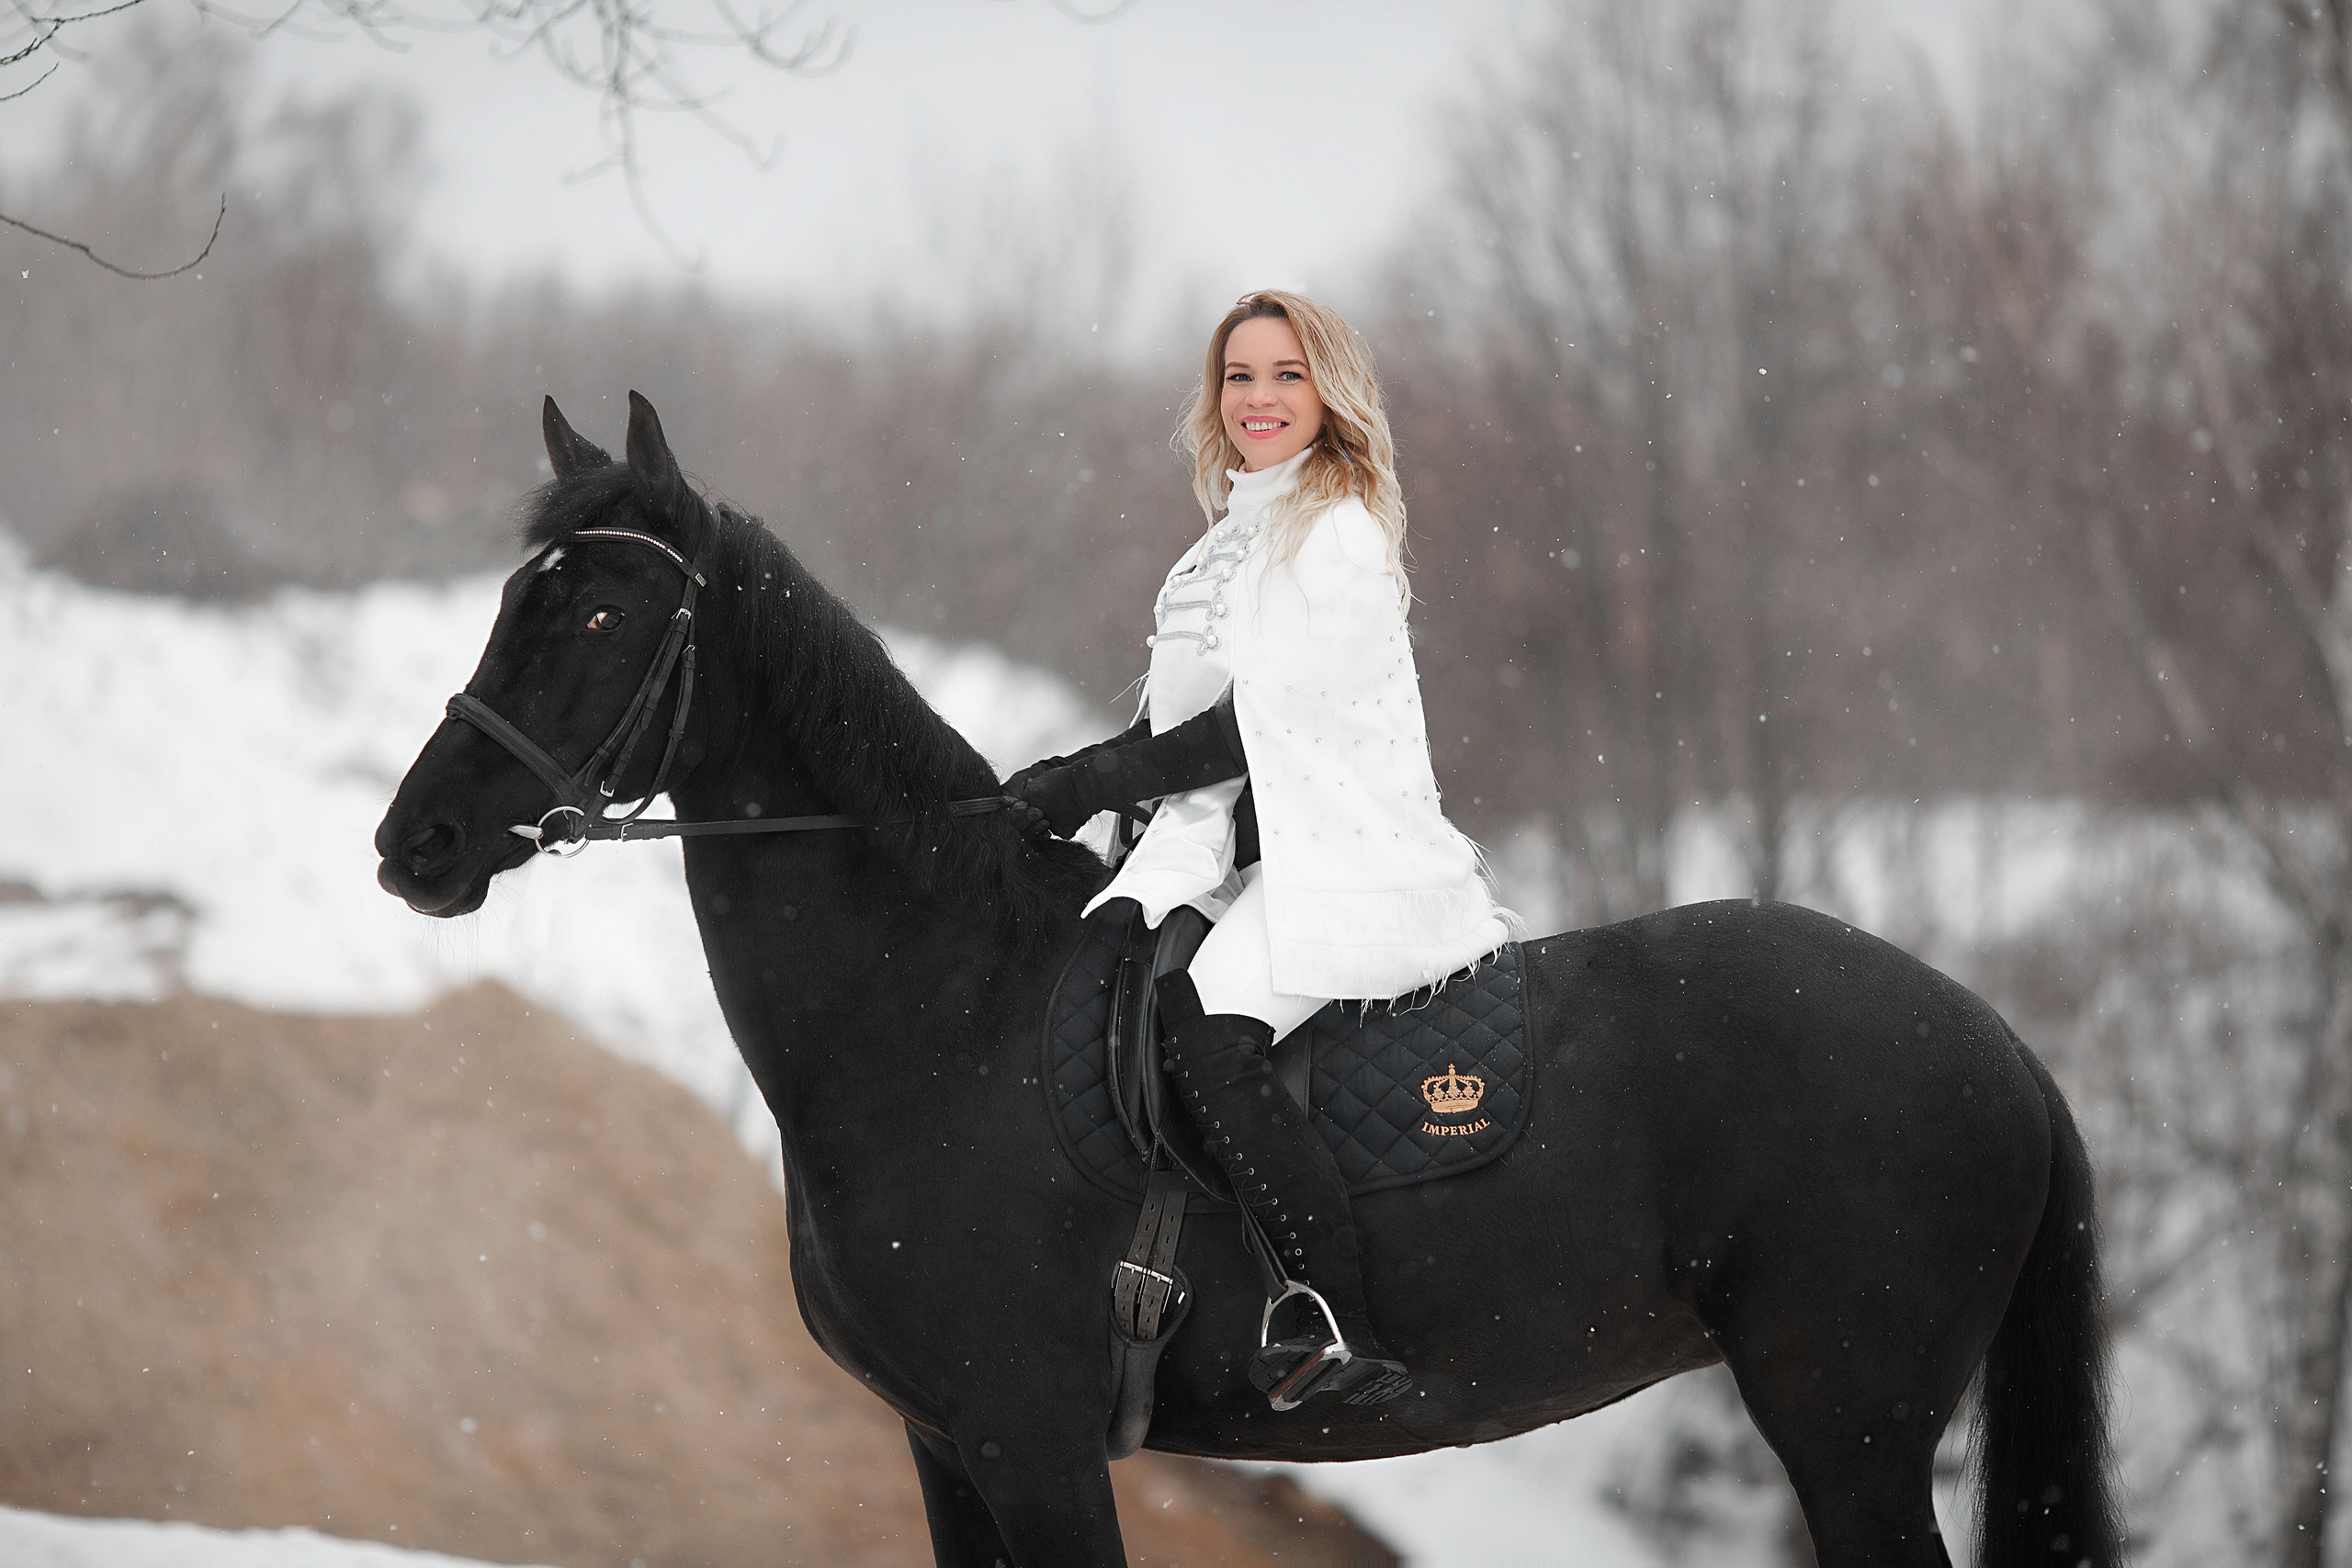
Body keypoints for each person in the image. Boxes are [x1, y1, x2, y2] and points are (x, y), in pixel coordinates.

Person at [1004, 290, 1510, 1408]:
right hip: (1241, 846)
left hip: (1340, 849)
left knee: (1206, 1024)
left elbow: (1252, 726)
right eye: (1240, 376)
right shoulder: (1219, 546)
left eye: (1286, 374)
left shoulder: (1332, 530)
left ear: (1327, 392)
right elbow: (1176, 721)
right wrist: (1053, 787)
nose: (1260, 398)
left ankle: (1334, 1317)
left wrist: (1090, 780)